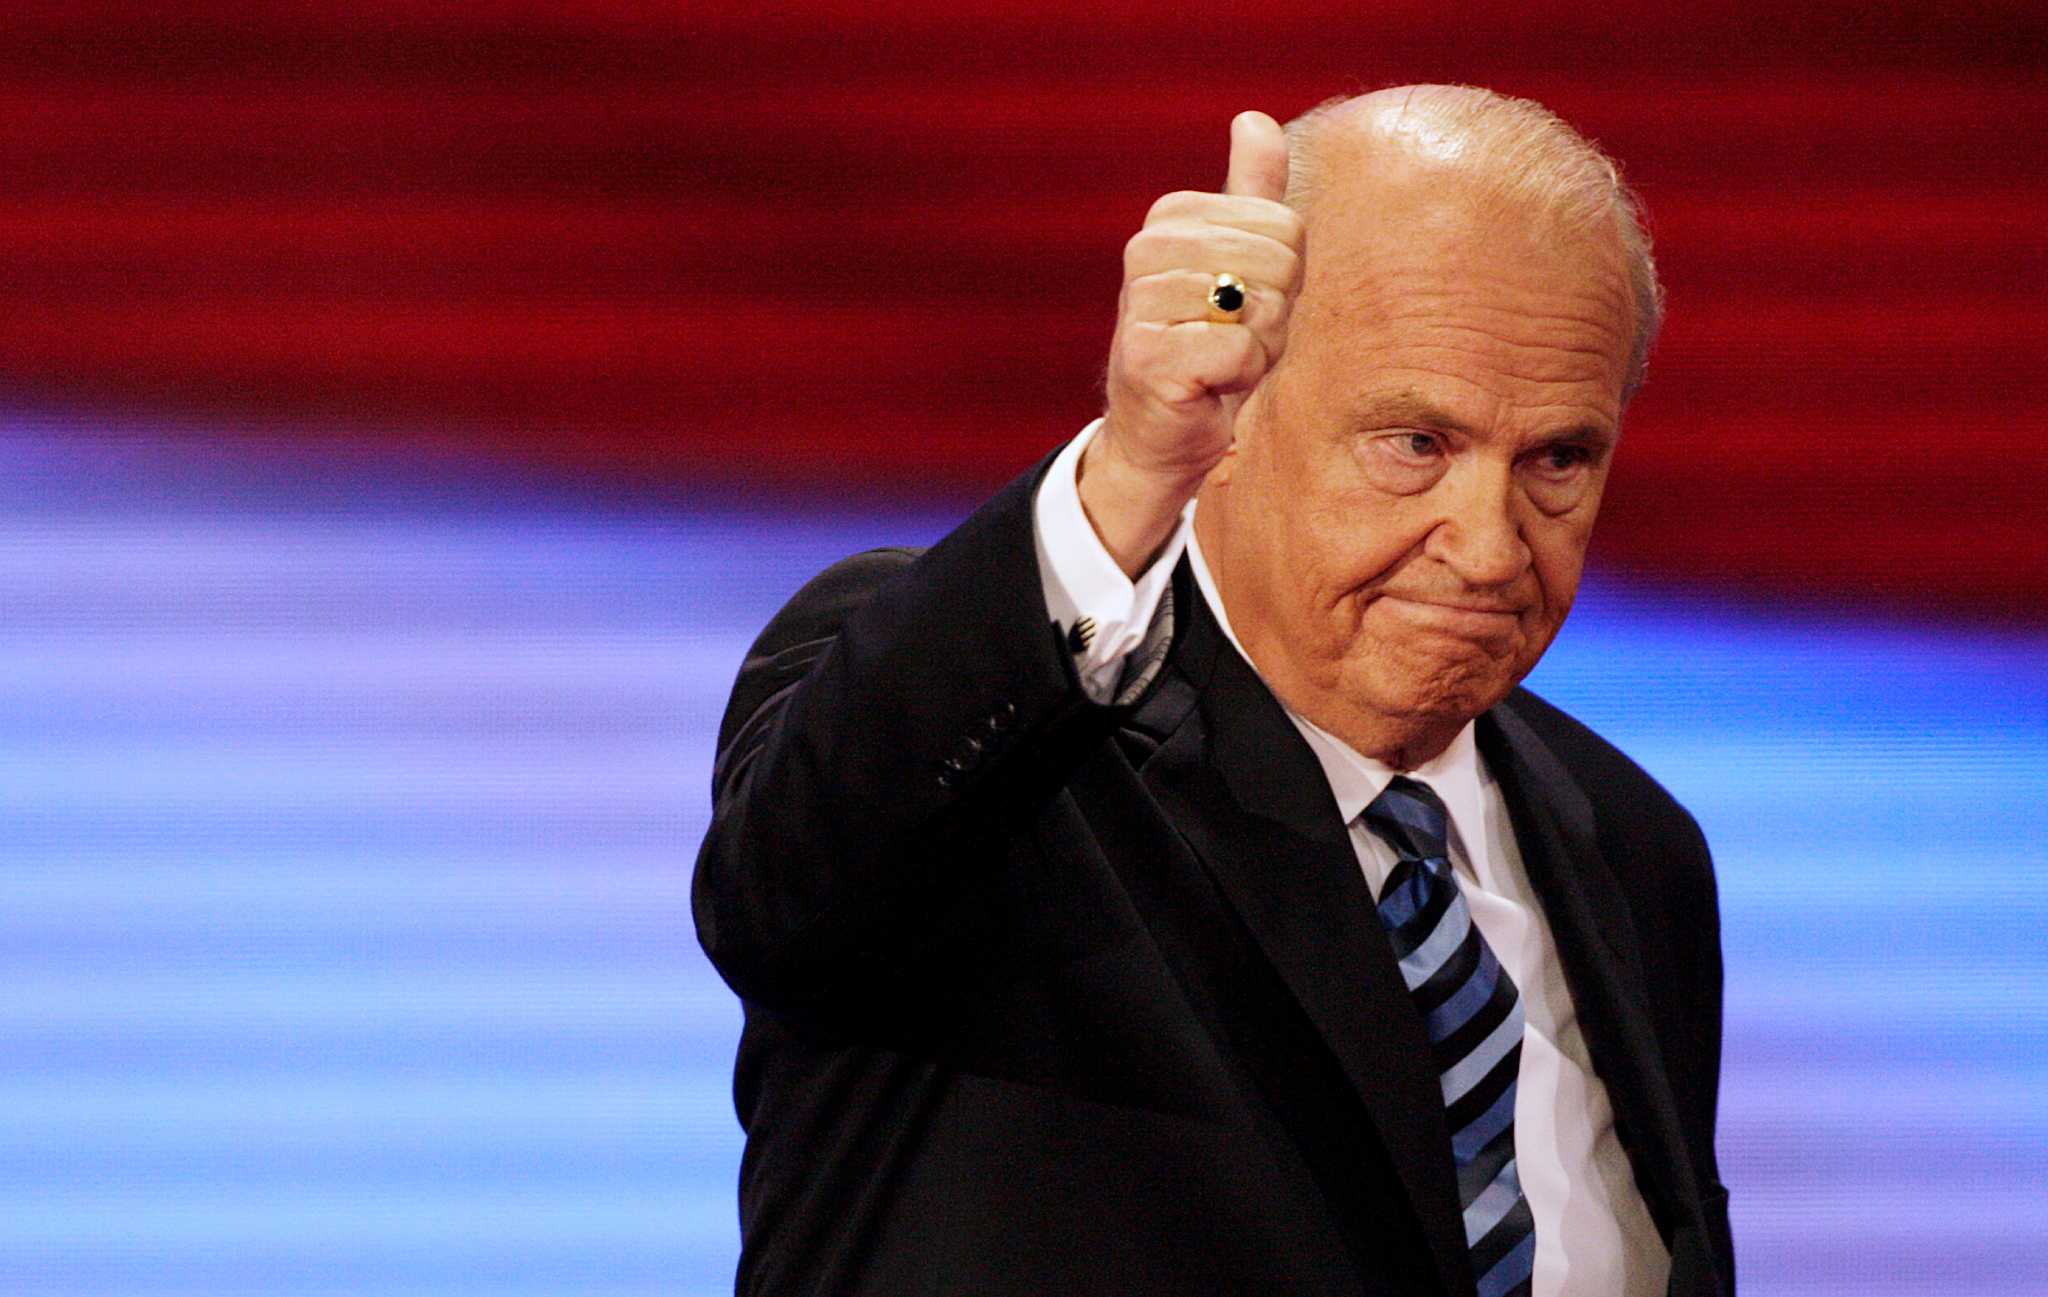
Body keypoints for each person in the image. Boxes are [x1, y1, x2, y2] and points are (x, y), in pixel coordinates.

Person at [695, 84, 1732, 1297]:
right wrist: (1133, 466)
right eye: (1415, 444)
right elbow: (784, 898)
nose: (1492, 544)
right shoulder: (1007, 745)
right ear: (1233, 416)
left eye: (1557, 457)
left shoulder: (1633, 850)